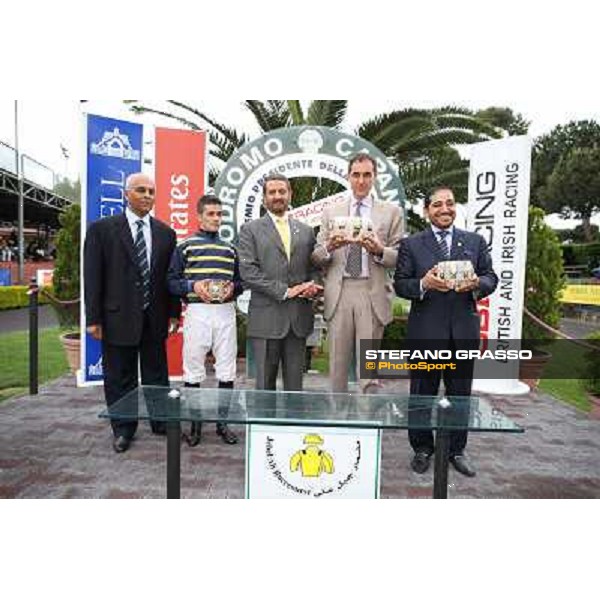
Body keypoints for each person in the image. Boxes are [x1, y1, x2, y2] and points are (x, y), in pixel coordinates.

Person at [394, 186, 498, 477]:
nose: (444, 209)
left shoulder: (475, 242)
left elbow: (491, 277)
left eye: (449, 204)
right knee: (421, 394)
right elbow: (401, 284)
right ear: (427, 210)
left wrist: (477, 284)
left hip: (463, 331)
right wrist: (424, 284)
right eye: (437, 204)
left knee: (460, 394)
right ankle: (422, 448)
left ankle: (456, 450)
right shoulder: (411, 244)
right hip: (425, 333)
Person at [84, 173, 180, 453]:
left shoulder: (166, 233)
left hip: (155, 317)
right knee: (119, 377)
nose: (148, 195)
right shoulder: (102, 230)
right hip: (117, 317)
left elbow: (169, 278)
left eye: (152, 190)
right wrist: (93, 319)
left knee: (157, 375)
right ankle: (123, 429)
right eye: (141, 190)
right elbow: (93, 277)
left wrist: (174, 313)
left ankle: (161, 423)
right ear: (127, 194)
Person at [312, 153, 402, 393]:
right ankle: (336, 423)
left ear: (375, 177)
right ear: (348, 177)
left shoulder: (391, 212)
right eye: (356, 175)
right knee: (337, 368)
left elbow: (401, 256)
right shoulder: (331, 212)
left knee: (368, 372)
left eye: (367, 175)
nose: (361, 181)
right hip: (339, 293)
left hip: (371, 292)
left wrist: (379, 250)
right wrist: (330, 246)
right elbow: (317, 256)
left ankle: (368, 425)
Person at [167, 194, 243, 446]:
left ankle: (223, 425)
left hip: (225, 312)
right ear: (199, 216)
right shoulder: (185, 246)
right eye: (210, 214)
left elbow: (240, 282)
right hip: (197, 312)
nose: (215, 218)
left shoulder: (230, 249)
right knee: (193, 370)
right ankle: (195, 426)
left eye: (219, 214)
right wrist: (193, 285)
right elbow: (171, 282)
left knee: (227, 370)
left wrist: (234, 288)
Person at [238, 174, 322, 391]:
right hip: (266, 321)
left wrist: (313, 286)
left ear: (290, 194)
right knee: (264, 387)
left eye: (282, 192)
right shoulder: (250, 230)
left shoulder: (305, 231)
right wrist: (287, 291)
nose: (277, 196)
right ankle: (264, 426)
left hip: (298, 321)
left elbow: (314, 268)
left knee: (295, 389)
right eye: (272, 192)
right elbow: (248, 272)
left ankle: (292, 426)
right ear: (264, 198)